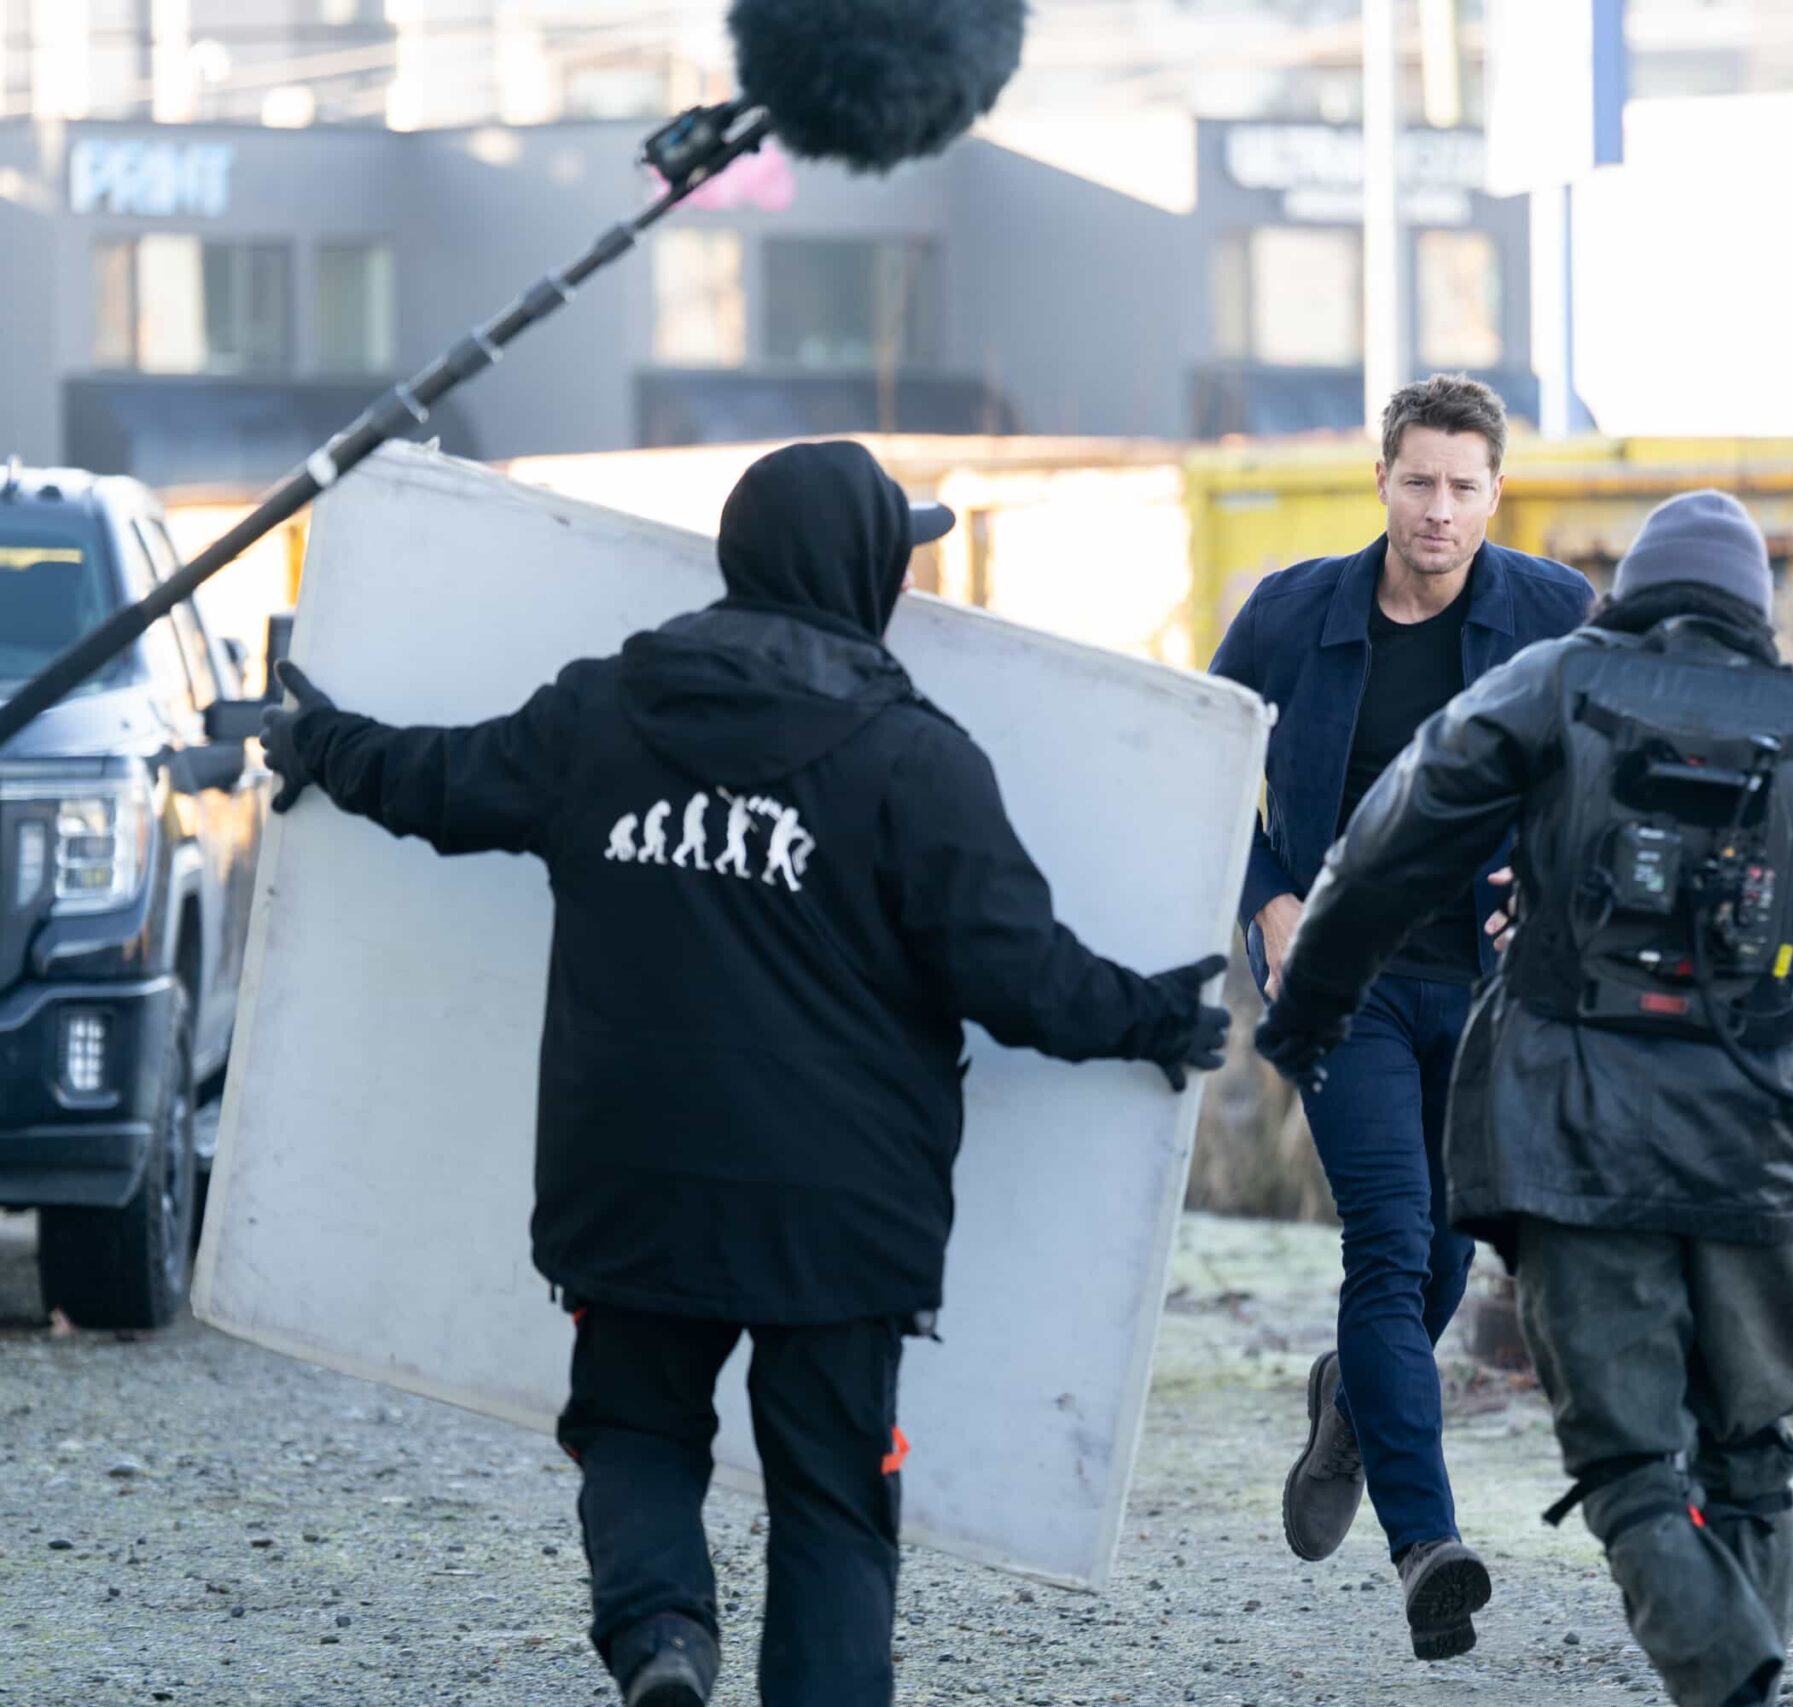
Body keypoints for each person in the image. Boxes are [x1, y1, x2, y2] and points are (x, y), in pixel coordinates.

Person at [257, 440, 1229, 1707]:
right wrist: (1152, 1020)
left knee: (638, 1431)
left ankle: (663, 1638)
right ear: (863, 570)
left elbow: (442, 783)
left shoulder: (602, 712)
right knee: (832, 1496)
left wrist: (320, 740)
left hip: (633, 1179)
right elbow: (1015, 971)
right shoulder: (914, 761)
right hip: (840, 1210)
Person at [1256, 490, 1793, 1706]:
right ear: (1754, 612)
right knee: (1752, 1461)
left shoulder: (1549, 686)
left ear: (1628, 595)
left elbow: (1384, 846)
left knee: (1632, 1470)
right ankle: (1740, 1675)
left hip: (1569, 1141)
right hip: (1764, 1148)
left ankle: (1732, 1686)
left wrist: (1306, 1012)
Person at [1207, 374, 1591, 1659]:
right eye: (1417, 482)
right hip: (1346, 983)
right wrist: (1265, 897)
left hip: (1485, 997)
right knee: (1388, 1237)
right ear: (1380, 481)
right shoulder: (1290, 615)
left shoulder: (1552, 615)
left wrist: (1542, 893)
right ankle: (1426, 1543)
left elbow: (1598, 792)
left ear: (1496, 491)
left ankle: (1350, 1408)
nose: (1438, 510)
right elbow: (1199, 770)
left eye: (1463, 487)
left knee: (1441, 1258)